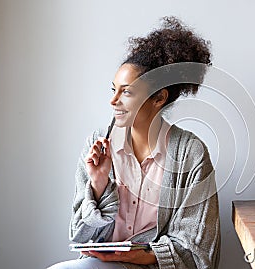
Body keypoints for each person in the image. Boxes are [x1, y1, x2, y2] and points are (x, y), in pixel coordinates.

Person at [48, 16, 220, 269]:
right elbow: (78, 234)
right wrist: (98, 184)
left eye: (126, 91)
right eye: (113, 89)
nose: (114, 100)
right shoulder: (97, 146)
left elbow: (198, 247)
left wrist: (144, 256)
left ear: (159, 97)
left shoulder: (190, 153)